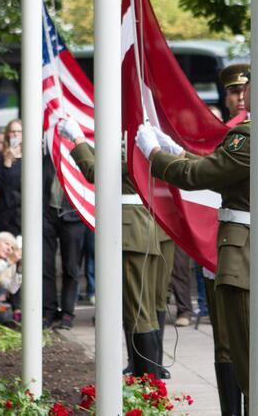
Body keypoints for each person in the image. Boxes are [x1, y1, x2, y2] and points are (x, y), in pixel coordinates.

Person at [136, 63, 258, 414]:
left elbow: (198, 176)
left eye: (248, 85)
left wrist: (154, 155)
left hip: (247, 258)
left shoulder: (252, 135)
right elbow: (220, 169)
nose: (242, 93)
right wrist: (175, 151)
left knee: (253, 361)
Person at [59, 119, 174, 379]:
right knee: (147, 303)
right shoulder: (145, 140)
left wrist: (77, 140)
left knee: (138, 307)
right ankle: (148, 367)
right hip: (149, 227)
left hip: (133, 230)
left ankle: (149, 376)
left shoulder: (137, 147)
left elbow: (94, 170)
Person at [41, 153, 85, 330]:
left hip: (73, 216)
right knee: (46, 265)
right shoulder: (49, 154)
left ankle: (67, 312)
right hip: (47, 214)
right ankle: (49, 312)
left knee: (72, 267)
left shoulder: (81, 153)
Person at [0, 119, 23, 236]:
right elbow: (2, 186)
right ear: (8, 134)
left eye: (19, 131)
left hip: (23, 212)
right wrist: (7, 163)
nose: (15, 134)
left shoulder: (30, 157)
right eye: (12, 131)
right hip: (5, 213)